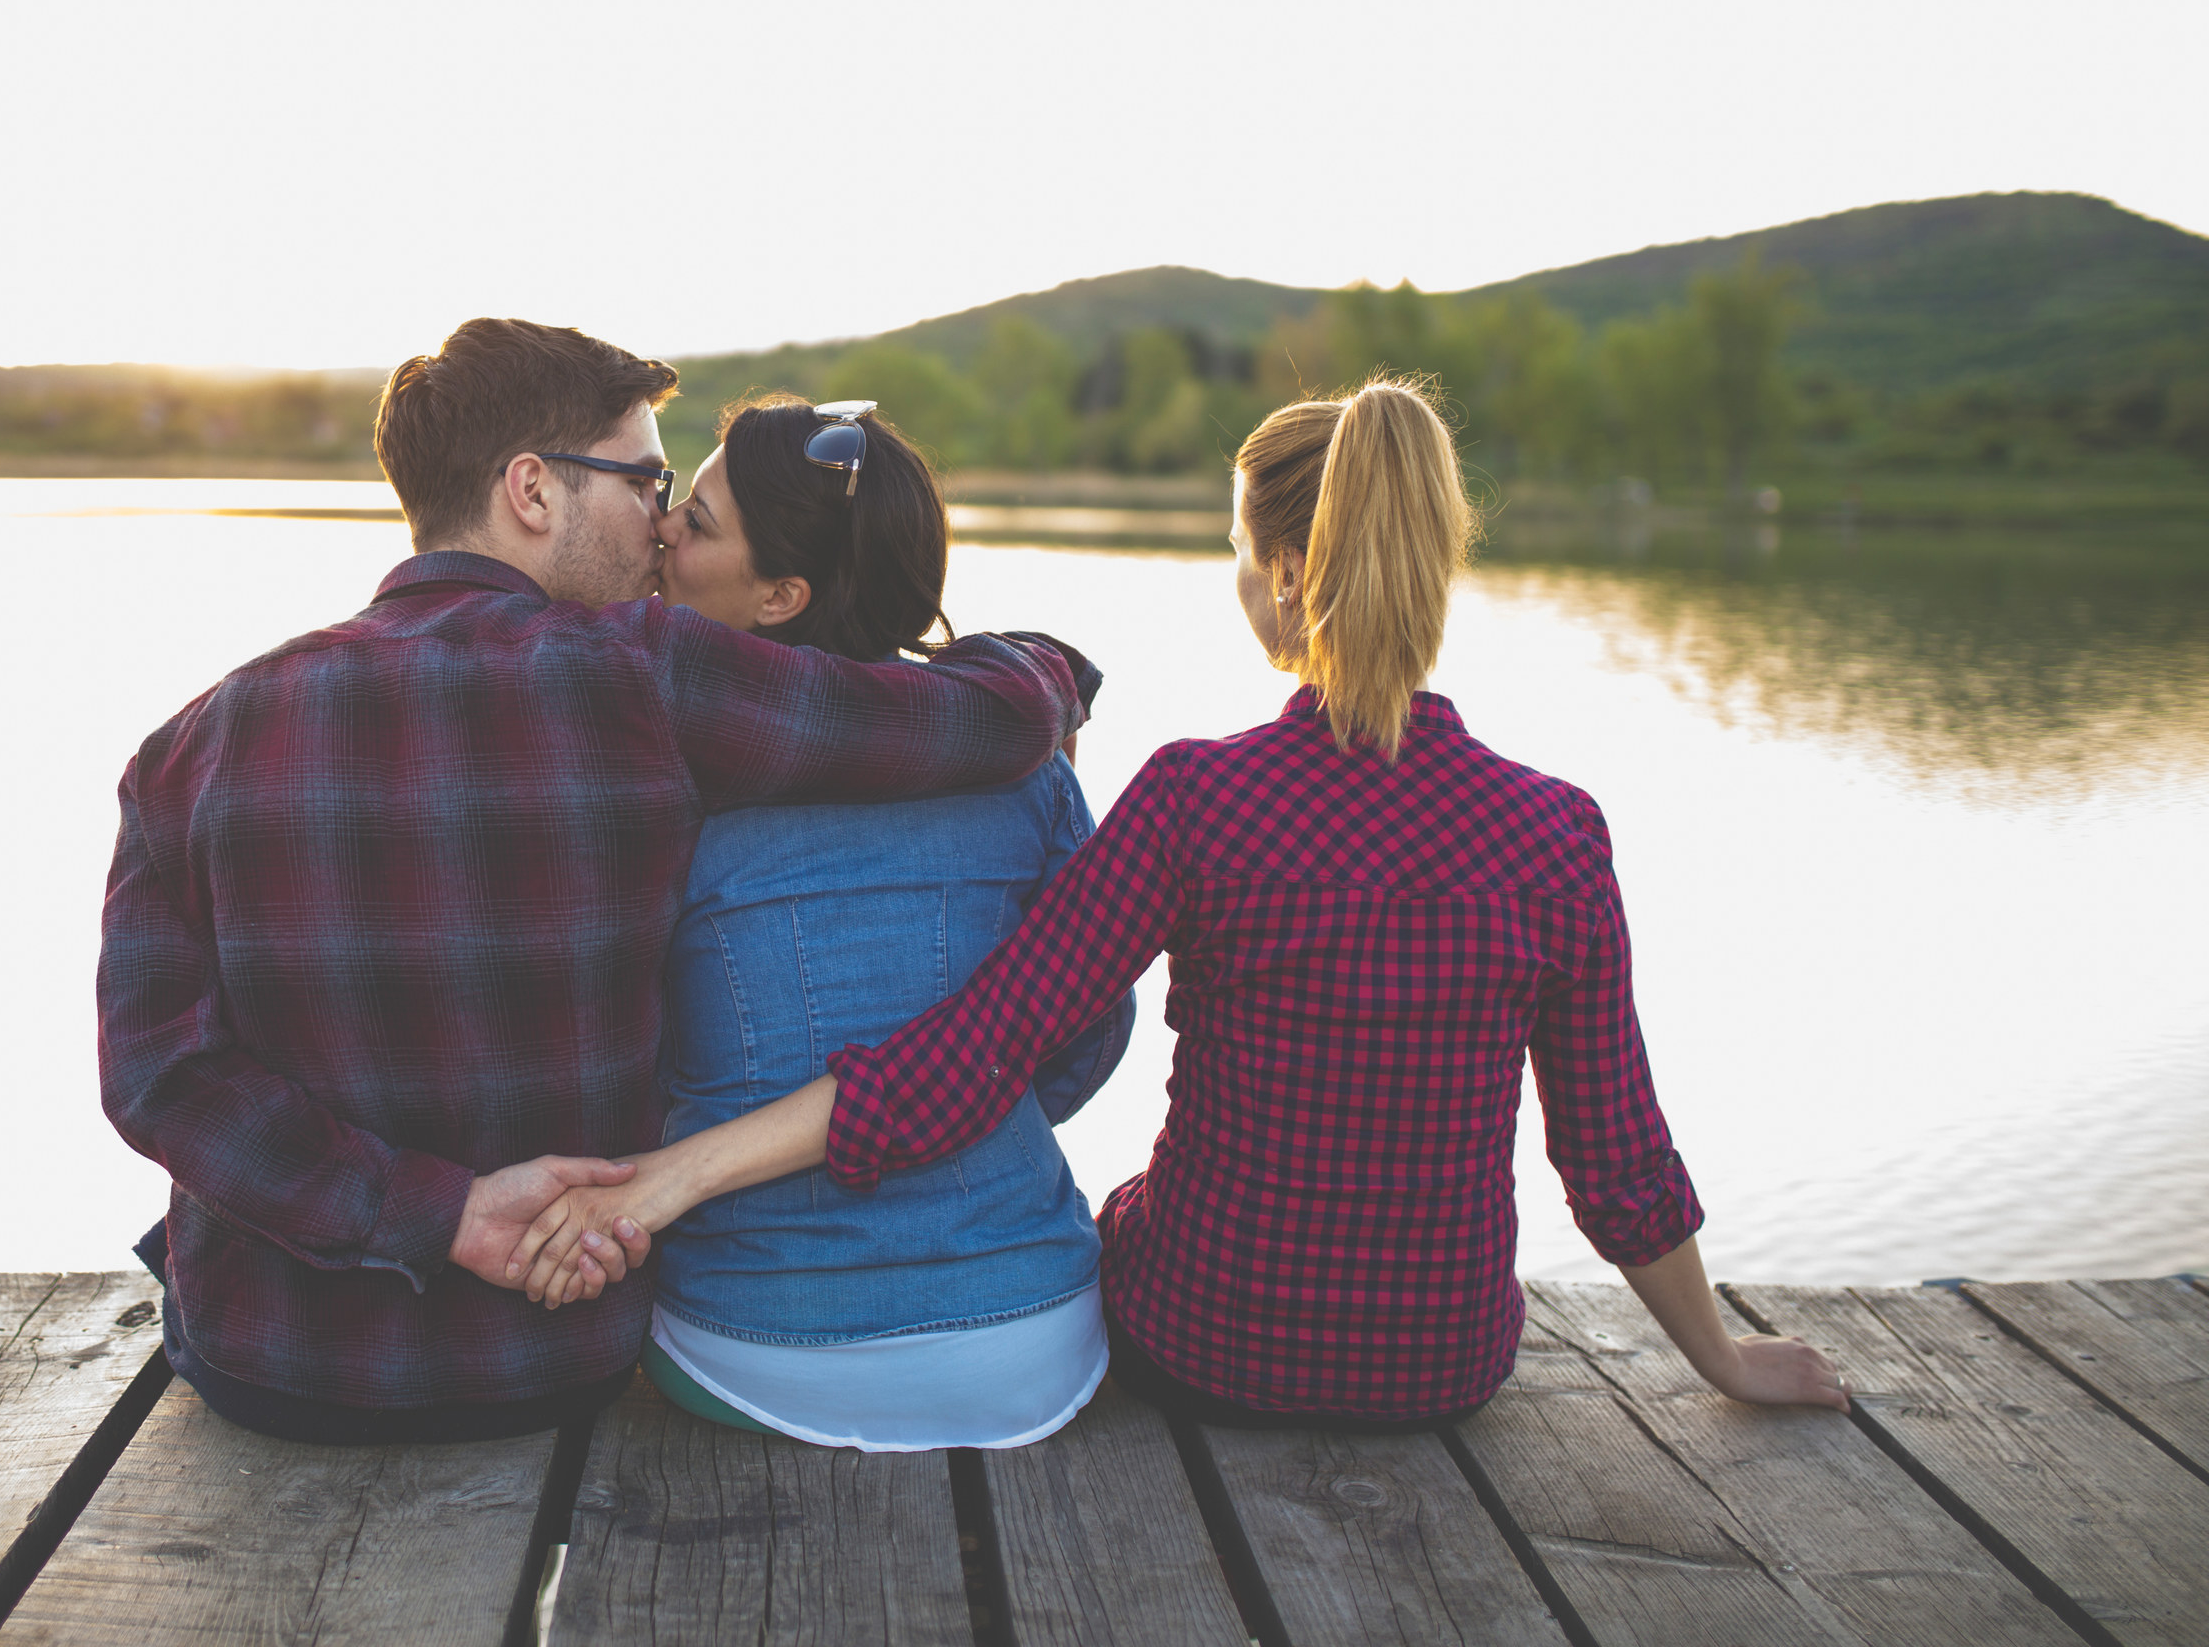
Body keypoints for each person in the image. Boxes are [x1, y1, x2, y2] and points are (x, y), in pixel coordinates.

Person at [517, 379, 1849, 1426]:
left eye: (1232, 549)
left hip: (1210, 1346)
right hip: (1447, 1368)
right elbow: (1615, 1161)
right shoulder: (1557, 832)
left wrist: (672, 1178)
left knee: (1125, 1220)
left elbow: (968, 1065)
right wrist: (1724, 1359)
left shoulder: (1203, 800)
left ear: (1277, 577)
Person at [95, 318, 1098, 1445]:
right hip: (551, 1355)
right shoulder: (644, 676)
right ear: (533, 489)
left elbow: (155, 1077)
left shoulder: (187, 746)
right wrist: (1048, 670)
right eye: (645, 479)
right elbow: (956, 721)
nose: (658, 524)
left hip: (271, 1370)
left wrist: (444, 1213)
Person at [580, 394, 1137, 1450]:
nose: (662, 530)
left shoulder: (661, 780)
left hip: (755, 1342)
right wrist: (961, 1148)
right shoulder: (1023, 762)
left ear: (783, 594)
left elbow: (619, 1062)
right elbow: (1088, 1033)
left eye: (694, 522)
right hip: (1036, 1338)